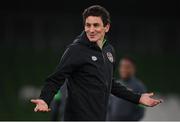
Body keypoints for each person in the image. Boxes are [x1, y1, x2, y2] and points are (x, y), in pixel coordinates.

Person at [31, 5, 162, 121]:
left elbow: (109, 83)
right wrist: (44, 99)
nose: (91, 30)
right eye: (88, 25)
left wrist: (137, 98)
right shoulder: (76, 50)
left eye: (96, 25)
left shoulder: (109, 51)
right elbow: (56, 79)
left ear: (107, 27)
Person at [107, 57, 147, 121]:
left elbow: (140, 111)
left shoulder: (139, 87)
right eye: (122, 66)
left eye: (127, 67)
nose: (123, 69)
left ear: (133, 69)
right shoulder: (115, 85)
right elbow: (108, 106)